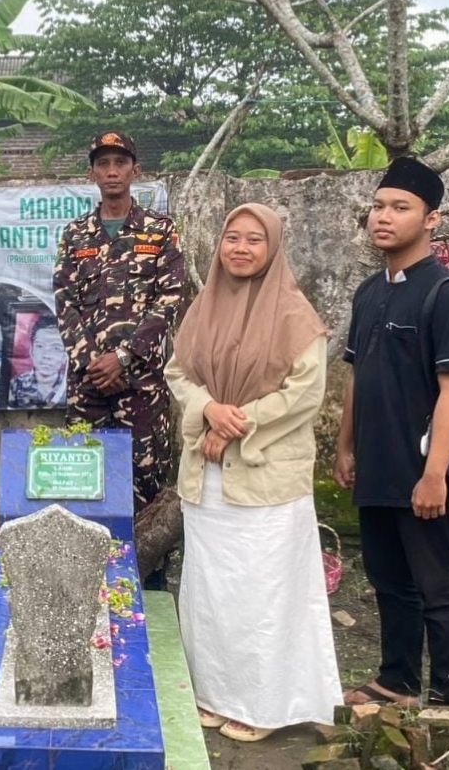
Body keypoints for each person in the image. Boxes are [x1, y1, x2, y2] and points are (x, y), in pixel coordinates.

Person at [165, 203, 342, 742]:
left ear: (273, 249)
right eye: (231, 238)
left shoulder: (296, 315)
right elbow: (178, 371)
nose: (240, 249)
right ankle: (215, 693)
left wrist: (235, 422)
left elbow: (303, 395)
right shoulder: (204, 306)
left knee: (263, 591)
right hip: (208, 477)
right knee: (212, 591)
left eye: (254, 240)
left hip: (265, 480)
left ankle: (262, 705)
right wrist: (208, 410)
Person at [334, 157, 449, 710]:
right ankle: (397, 679)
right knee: (388, 581)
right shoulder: (369, 292)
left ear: (432, 219)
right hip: (376, 465)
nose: (383, 218)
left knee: (436, 588)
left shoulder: (446, 294)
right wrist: (346, 447)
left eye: (400, 208)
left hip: (424, 473)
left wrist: (435, 475)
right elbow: (356, 374)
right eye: (377, 207)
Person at [54, 131, 185, 511]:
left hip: (140, 382)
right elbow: (65, 301)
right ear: (91, 173)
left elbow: (170, 299)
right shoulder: (76, 234)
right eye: (103, 164)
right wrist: (92, 364)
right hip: (88, 383)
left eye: (120, 163)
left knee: (146, 479)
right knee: (85, 477)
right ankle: (93, 565)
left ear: (135, 170)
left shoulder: (160, 230)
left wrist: (124, 357)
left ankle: (150, 567)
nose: (112, 171)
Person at [8, 315, 67, 408]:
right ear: (31, 351)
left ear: (65, 356)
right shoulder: (16, 383)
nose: (46, 355)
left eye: (56, 348)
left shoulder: (71, 386)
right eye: (40, 346)